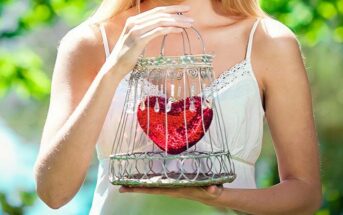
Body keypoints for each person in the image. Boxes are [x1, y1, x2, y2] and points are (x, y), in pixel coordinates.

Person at [33, 0, 322, 214]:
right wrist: (115, 67)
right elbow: (53, 192)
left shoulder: (268, 40)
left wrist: (218, 197)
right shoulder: (90, 41)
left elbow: (305, 194)